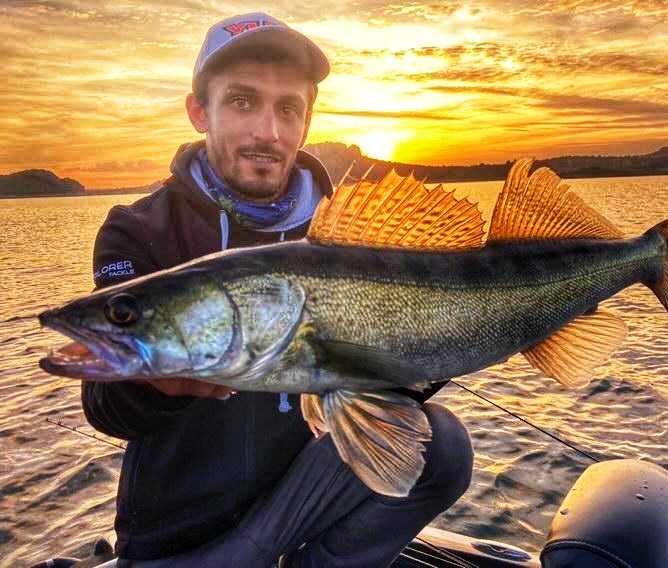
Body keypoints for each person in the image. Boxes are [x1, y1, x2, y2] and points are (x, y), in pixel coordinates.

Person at [82, 12, 473, 567]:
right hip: (180, 537)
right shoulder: (140, 230)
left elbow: (393, 395)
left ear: (306, 122)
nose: (268, 131)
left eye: (288, 108)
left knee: (445, 446)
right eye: (242, 102)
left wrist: (431, 349)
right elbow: (104, 406)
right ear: (200, 111)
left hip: (295, 504)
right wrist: (160, 382)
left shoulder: (348, 234)